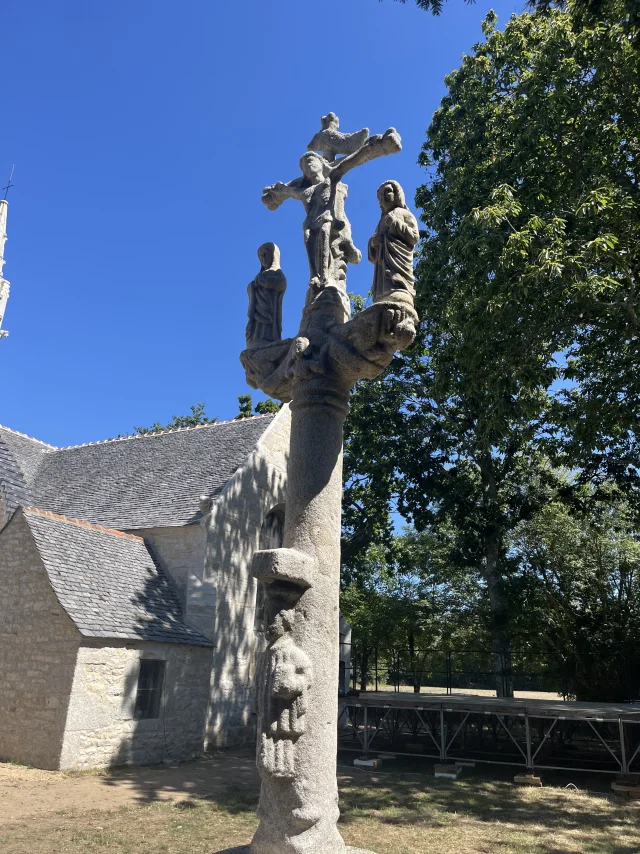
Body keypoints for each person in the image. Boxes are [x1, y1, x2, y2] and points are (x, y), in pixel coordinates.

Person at [368, 180, 419, 305]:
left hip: (399, 264)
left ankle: (400, 290)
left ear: (397, 194)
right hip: (382, 268)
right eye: (380, 196)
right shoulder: (380, 222)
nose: (383, 197)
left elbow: (414, 237)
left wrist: (395, 223)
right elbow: (373, 254)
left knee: (398, 291)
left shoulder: (404, 213)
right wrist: (373, 243)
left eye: (387, 192)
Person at [246, 243, 287, 348]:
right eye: (261, 255)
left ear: (273, 255)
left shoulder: (277, 273)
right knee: (257, 329)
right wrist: (252, 286)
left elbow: (281, 284)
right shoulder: (259, 276)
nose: (263, 257)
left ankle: (268, 340)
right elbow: (251, 289)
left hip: (270, 313)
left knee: (268, 328)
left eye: (266, 254)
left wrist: (266, 282)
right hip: (257, 314)